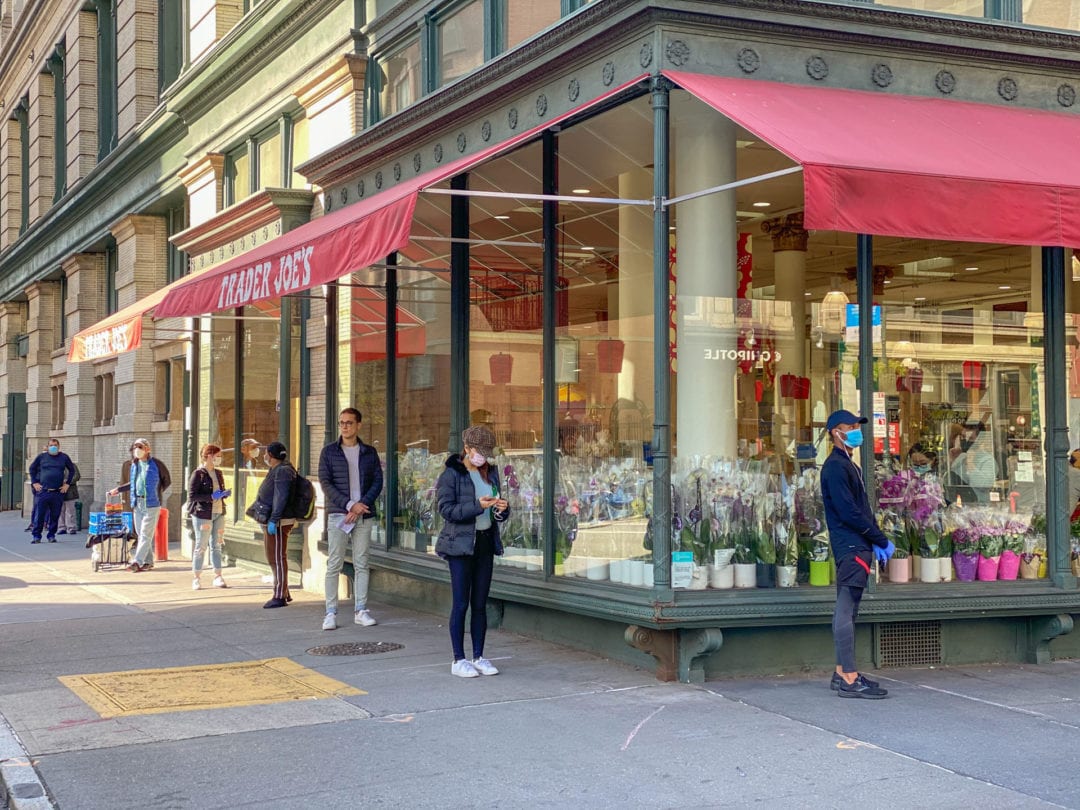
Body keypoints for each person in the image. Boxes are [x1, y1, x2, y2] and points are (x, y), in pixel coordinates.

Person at [820, 409, 892, 699]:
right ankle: (849, 678)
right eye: (849, 426)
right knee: (847, 609)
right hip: (851, 545)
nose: (854, 431)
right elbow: (849, 511)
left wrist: (875, 539)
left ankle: (842, 672)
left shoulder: (849, 466)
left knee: (850, 607)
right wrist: (879, 538)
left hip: (856, 544)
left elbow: (859, 508)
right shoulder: (836, 467)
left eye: (856, 426)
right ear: (836, 432)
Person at [434, 425, 509, 678]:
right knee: (461, 603)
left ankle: (479, 655)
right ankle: (458, 659)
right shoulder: (451, 475)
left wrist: (501, 509)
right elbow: (447, 511)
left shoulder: (491, 474)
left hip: (485, 542)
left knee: (480, 603)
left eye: (487, 453)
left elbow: (498, 511)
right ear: (467, 448)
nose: (483, 457)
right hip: (460, 545)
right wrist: (477, 506)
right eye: (479, 452)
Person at [318, 408, 384, 630]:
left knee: (362, 562)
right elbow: (326, 483)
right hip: (340, 514)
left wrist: (360, 505)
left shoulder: (369, 452)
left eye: (349, 423)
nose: (345, 426)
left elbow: (378, 480)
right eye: (341, 423)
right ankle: (330, 612)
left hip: (363, 514)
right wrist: (349, 505)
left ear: (358, 425)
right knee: (334, 563)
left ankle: (361, 610)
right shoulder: (329, 452)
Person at [109, 438, 170, 572]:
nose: (137, 450)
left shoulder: (156, 464)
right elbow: (133, 483)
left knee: (145, 534)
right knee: (141, 533)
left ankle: (137, 561)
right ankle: (148, 561)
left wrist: (156, 492)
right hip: (137, 503)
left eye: (140, 447)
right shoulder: (134, 465)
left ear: (147, 449)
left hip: (151, 504)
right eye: (135, 447)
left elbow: (167, 480)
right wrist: (118, 490)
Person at [250, 441, 296, 608]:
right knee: (273, 556)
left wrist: (274, 519)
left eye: (266, 453)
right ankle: (284, 590)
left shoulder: (282, 471)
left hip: (278, 521)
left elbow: (280, 497)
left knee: (277, 557)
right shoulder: (278, 469)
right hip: (275, 520)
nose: (264, 456)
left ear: (272, 455)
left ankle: (279, 596)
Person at [188, 444, 231, 591]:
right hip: (203, 514)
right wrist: (210, 497)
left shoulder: (218, 473)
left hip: (219, 512)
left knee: (217, 545)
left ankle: (218, 576)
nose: (219, 459)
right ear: (208, 456)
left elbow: (219, 490)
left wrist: (224, 494)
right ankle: (196, 577)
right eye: (217, 456)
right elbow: (192, 496)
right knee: (201, 546)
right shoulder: (198, 474)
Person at [28, 439, 76, 544]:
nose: (53, 447)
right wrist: (34, 482)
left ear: (59, 446)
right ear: (48, 446)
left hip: (57, 492)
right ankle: (36, 536)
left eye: (55, 445)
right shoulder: (42, 457)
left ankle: (51, 535)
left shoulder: (64, 457)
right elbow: (32, 469)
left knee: (55, 515)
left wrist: (67, 484)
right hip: (43, 491)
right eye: (51, 445)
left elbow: (72, 470)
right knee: (39, 515)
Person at [58, 460, 82, 535]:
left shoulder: (72, 466)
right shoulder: (56, 466)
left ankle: (71, 527)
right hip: (59, 491)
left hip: (70, 491)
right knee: (60, 510)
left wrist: (67, 481)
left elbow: (77, 476)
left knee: (70, 511)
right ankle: (61, 527)